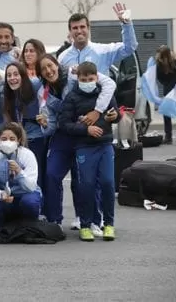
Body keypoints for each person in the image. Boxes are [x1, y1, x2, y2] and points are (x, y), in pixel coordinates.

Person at [36, 53, 116, 233]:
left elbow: (108, 84)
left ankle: (91, 219)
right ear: (41, 73)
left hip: (86, 138)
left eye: (51, 65)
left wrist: (100, 112)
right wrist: (45, 125)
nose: (49, 71)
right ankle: (54, 219)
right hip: (63, 136)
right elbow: (52, 127)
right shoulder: (44, 93)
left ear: (57, 64)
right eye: (44, 69)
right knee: (52, 174)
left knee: (86, 180)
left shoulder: (75, 76)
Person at [59, 61, 120, 242]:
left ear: (96, 78)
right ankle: (85, 225)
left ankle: (108, 224)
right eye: (83, 79)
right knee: (86, 185)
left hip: (105, 145)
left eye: (90, 78)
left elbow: (117, 113)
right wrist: (86, 130)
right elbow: (64, 124)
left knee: (108, 183)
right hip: (84, 147)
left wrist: (115, 116)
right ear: (78, 79)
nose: (87, 81)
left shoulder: (105, 93)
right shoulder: (71, 97)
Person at [0, 122, 42, 228]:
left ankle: (29, 226)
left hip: (25, 194)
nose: (7, 142)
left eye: (12, 139)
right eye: (4, 139)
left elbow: (31, 186)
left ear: (18, 140)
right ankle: (1, 226)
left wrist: (19, 171)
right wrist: (0, 194)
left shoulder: (27, 155)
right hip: (5, 197)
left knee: (30, 202)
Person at [58, 2, 138, 75]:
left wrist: (126, 24)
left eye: (82, 27)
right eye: (75, 28)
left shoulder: (103, 51)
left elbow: (130, 48)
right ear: (70, 31)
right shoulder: (63, 58)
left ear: (88, 28)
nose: (79, 31)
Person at [2, 63, 46, 192]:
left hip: (36, 138)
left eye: (16, 74)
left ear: (23, 75)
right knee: (20, 174)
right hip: (19, 141)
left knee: (37, 175)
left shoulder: (35, 85)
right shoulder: (8, 93)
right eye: (9, 75)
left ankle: (39, 205)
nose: (12, 78)